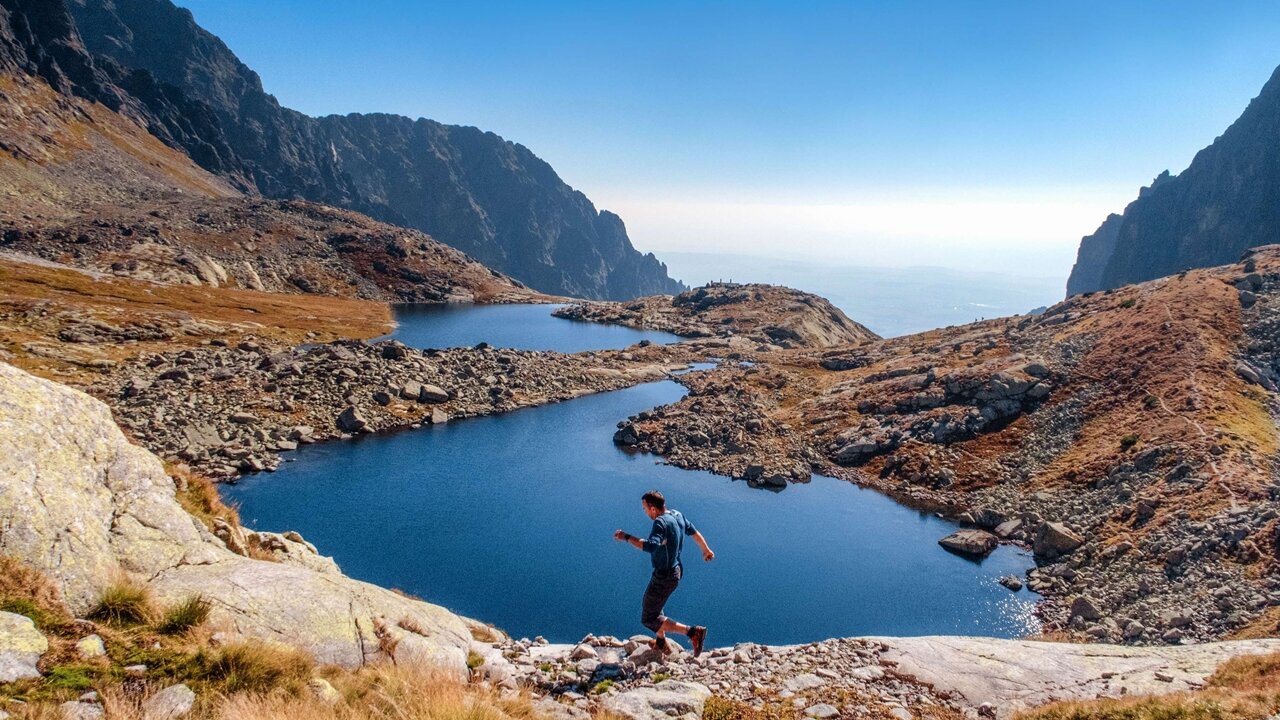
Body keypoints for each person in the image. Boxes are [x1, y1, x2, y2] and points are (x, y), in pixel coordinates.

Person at [613, 490, 714, 656]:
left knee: (648, 618)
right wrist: (706, 550)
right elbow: (693, 532)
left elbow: (650, 546)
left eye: (644, 508)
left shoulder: (660, 523)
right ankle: (660, 642)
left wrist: (626, 537)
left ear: (653, 508)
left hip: (664, 576)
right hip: (675, 570)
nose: (644, 511)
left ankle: (692, 632)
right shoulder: (677, 515)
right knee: (655, 607)